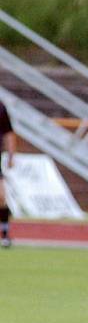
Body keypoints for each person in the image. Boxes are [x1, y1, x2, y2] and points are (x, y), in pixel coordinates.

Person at [0, 101, 17, 248]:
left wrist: (11, 155)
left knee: (1, 197)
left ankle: (4, 232)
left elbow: (8, 132)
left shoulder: (1, 106)